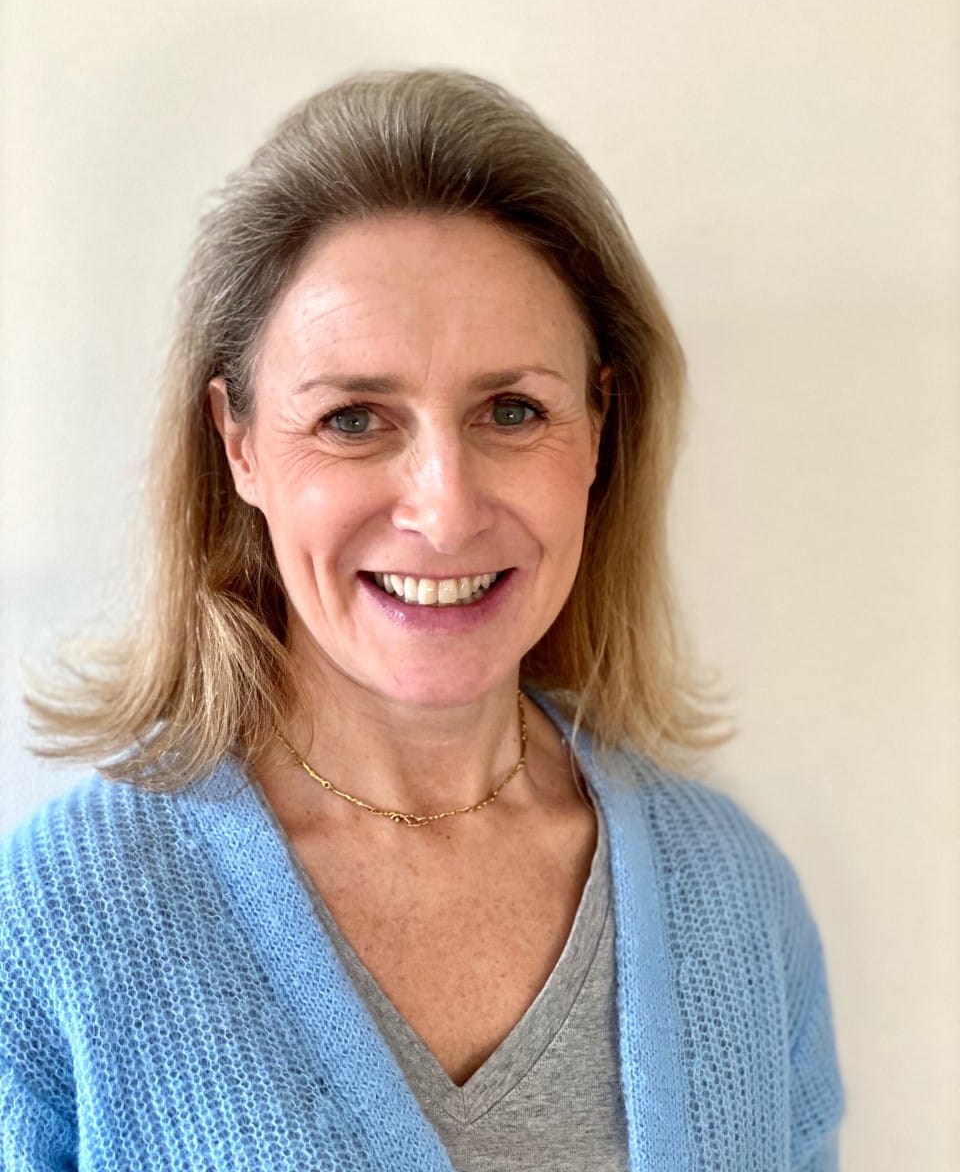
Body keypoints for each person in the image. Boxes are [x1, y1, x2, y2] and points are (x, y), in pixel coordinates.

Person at [0, 69, 845, 1171]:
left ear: (599, 427)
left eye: (512, 410)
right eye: (353, 418)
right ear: (239, 443)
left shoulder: (735, 897)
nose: (445, 510)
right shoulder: (57, 925)